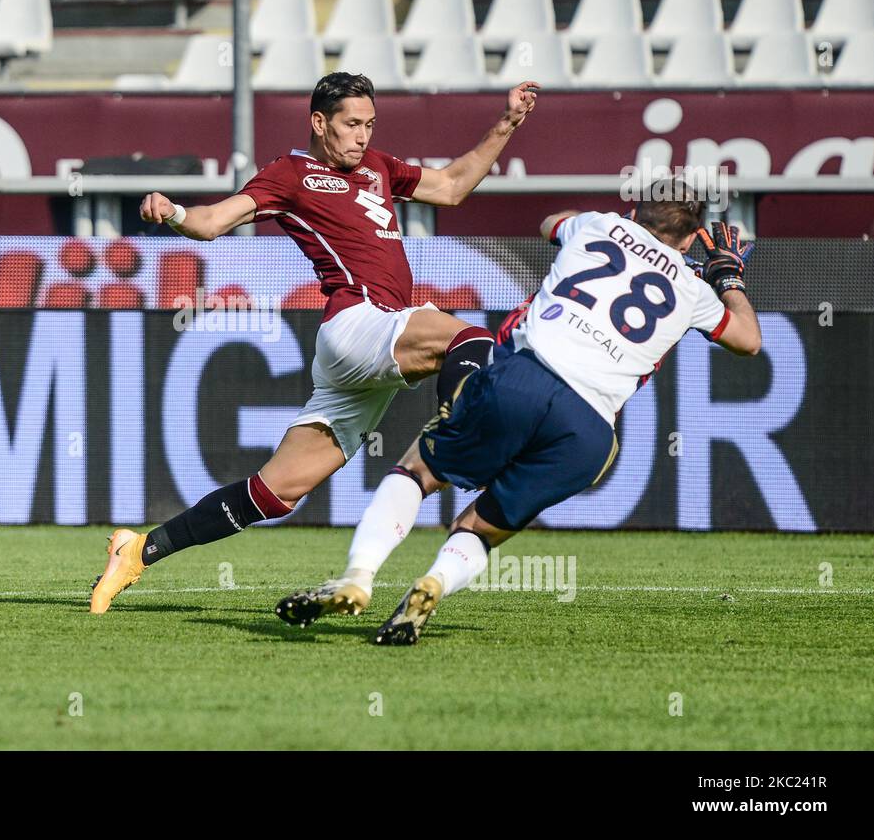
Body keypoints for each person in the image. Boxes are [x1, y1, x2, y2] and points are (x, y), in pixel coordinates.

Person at [89, 71, 539, 613]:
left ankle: (139, 550)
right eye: (351, 124)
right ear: (319, 123)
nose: (362, 136)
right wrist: (175, 212)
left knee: (275, 492)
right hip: (356, 324)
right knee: (468, 338)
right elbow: (212, 223)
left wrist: (509, 122)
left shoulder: (378, 167)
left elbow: (451, 187)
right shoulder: (291, 173)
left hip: (372, 346)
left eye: (369, 125)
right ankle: (461, 442)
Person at [277, 182, 761, 644]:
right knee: (480, 530)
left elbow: (550, 222)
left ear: (635, 211)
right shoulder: (695, 291)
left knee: (417, 471)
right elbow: (747, 340)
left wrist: (619, 228)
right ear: (695, 234)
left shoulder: (597, 225)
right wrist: (726, 278)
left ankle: (359, 575)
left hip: (526, 378)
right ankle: (435, 583)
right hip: (589, 431)